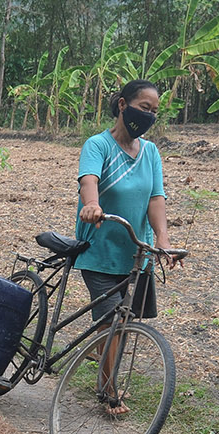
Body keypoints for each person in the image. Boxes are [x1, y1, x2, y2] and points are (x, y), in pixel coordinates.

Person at [74, 78, 180, 414]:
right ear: (123, 105)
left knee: (123, 321)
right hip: (100, 251)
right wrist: (92, 205)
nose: (149, 116)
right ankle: (108, 391)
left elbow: (156, 198)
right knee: (111, 324)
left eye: (154, 111)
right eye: (144, 108)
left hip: (136, 254)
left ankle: (103, 370)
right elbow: (89, 180)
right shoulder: (98, 145)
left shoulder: (151, 153)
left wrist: (162, 239)